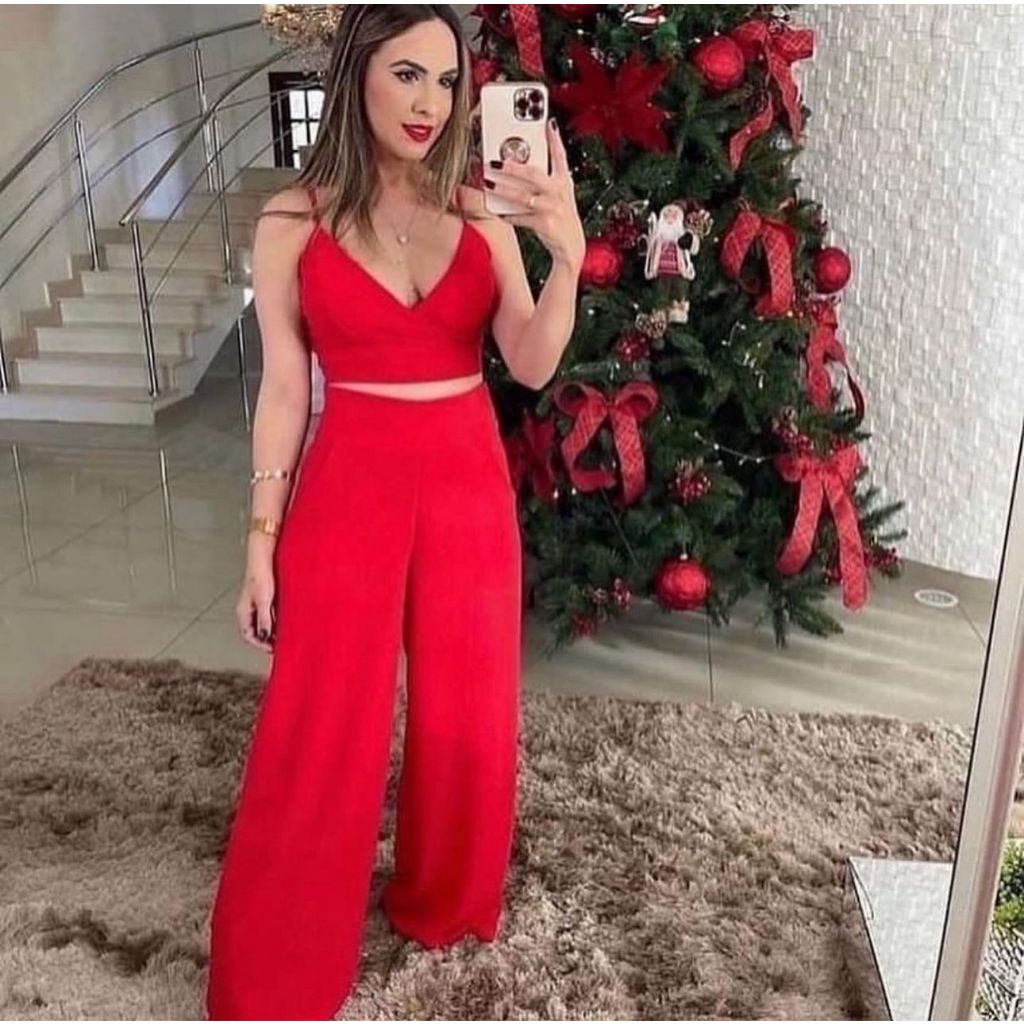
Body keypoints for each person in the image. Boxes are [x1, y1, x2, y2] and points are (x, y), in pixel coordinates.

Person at [204, 5, 584, 1019]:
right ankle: (280, 957)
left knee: (469, 710)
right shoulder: (292, 221)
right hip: (350, 485)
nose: (431, 103)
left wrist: (567, 253)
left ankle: (443, 902)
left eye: (448, 81)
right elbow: (284, 389)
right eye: (407, 74)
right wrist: (260, 542)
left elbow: (531, 362)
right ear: (356, 72)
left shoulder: (482, 213)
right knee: (321, 714)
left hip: (466, 486)